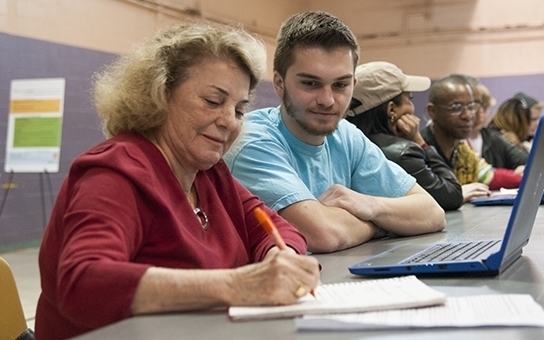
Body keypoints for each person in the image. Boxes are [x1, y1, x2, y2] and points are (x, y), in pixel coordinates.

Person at [35, 22, 320, 340]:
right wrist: (239, 285)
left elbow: (276, 228)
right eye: (213, 101)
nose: (229, 121)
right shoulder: (114, 173)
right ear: (159, 95)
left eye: (239, 110)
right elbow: (83, 282)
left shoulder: (209, 174)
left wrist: (281, 260)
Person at [225, 11, 445, 254]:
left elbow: (431, 212)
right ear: (279, 83)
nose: (327, 100)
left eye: (340, 85)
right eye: (310, 83)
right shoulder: (251, 141)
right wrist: (381, 225)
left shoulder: (346, 136)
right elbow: (323, 234)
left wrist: (370, 206)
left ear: (353, 85)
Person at [346, 61, 463, 211]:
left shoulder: (345, 146)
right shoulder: (403, 152)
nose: (412, 107)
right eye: (409, 99)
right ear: (392, 110)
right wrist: (419, 142)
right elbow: (452, 196)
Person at [421, 74, 523, 202]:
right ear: (432, 111)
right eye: (456, 108)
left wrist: (527, 177)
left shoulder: (463, 150)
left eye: (471, 107)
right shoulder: (419, 148)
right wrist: (455, 194)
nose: (467, 115)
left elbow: (490, 176)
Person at [466, 83, 528, 171]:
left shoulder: (493, 137)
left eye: (485, 108)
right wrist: (513, 176)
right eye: (473, 108)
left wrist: (519, 145)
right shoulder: (455, 142)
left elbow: (526, 160)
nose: (480, 114)